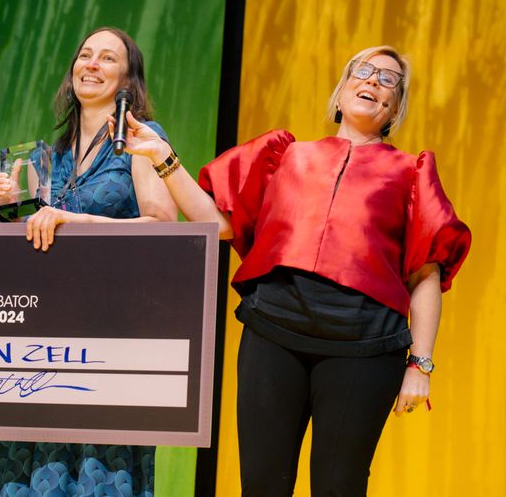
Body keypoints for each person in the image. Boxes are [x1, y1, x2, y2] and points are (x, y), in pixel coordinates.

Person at [120, 46, 471, 495]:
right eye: (362, 72)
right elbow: (218, 223)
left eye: (387, 80)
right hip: (273, 337)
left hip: (364, 350)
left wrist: (420, 364)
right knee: (263, 484)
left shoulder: (411, 172)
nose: (372, 81)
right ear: (341, 92)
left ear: (395, 107)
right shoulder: (285, 154)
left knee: (338, 486)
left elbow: (426, 274)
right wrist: (162, 157)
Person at [0, 28, 177, 496]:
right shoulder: (47, 156)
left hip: (111, 332)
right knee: (31, 462)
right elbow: (34, 243)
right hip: (43, 332)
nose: (91, 64)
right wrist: (7, 207)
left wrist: (78, 219)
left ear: (128, 79)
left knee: (99, 466)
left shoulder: (141, 139)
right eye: (85, 55)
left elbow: (163, 224)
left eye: (107, 58)